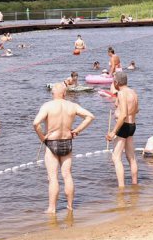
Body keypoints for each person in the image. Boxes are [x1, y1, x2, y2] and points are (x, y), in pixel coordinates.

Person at [32, 82, 95, 213]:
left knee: (53, 178)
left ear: (52, 94)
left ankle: (52, 208)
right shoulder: (72, 105)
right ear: (65, 94)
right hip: (67, 142)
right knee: (67, 175)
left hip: (52, 142)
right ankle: (70, 206)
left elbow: (35, 123)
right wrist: (77, 130)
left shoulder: (48, 106)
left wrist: (42, 137)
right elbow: (90, 116)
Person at [107, 71, 139, 188]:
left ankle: (121, 187)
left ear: (116, 82)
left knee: (116, 157)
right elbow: (136, 110)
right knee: (131, 157)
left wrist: (113, 132)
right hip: (132, 125)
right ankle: (134, 183)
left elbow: (123, 114)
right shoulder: (133, 92)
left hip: (123, 126)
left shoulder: (122, 93)